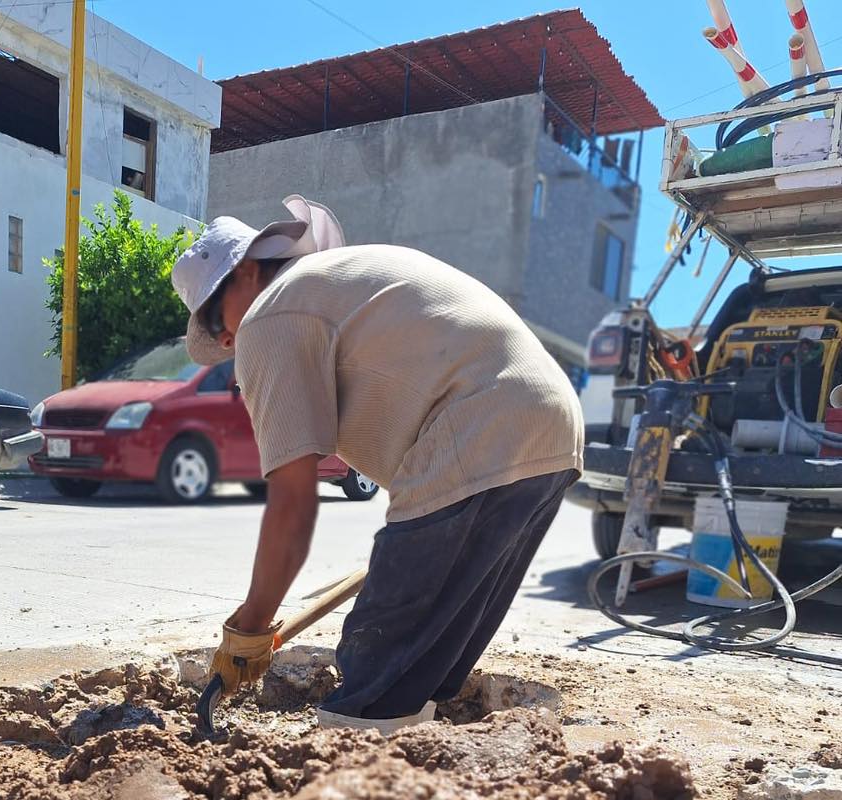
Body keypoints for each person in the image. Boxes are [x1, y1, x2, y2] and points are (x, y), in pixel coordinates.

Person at [171, 196, 584, 732]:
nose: (225, 340)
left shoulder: (271, 313)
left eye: (212, 314)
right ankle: (401, 770)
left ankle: (343, 791)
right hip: (550, 427)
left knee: (375, 666)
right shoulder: (332, 287)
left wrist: (250, 628)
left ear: (248, 270)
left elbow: (293, 505)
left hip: (481, 427)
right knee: (426, 661)